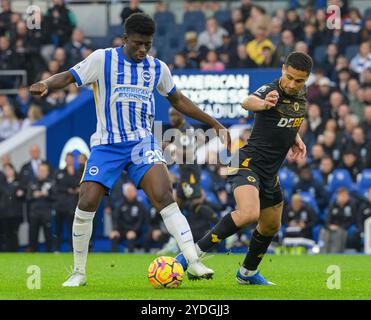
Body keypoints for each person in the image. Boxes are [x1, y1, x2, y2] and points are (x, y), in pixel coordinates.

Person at [30, 13, 230, 287]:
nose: (142, 49)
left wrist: (214, 123)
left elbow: (179, 100)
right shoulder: (103, 59)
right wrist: (46, 84)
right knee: (87, 201)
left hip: (141, 143)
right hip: (107, 144)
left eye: (147, 44)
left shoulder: (157, 68)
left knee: (163, 194)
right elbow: (69, 76)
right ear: (124, 39)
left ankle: (192, 261)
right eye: (137, 43)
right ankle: (78, 272)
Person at [177, 52, 313, 284]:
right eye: (289, 77)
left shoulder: (302, 94)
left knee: (271, 225)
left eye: (298, 80)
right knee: (249, 214)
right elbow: (247, 101)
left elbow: (287, 120)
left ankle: (247, 273)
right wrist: (263, 103)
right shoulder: (272, 91)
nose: (292, 84)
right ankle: (190, 256)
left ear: (306, 79)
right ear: (282, 69)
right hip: (246, 163)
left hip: (269, 173)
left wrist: (295, 137)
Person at [54, 153, 80, 251]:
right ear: (65, 160)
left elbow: (79, 186)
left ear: (73, 160)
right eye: (67, 159)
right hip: (60, 205)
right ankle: (57, 249)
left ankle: (72, 249)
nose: (69, 160)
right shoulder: (59, 172)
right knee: (58, 229)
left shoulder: (78, 173)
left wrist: (76, 189)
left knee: (72, 229)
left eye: (71, 159)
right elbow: (56, 187)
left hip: (73, 205)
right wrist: (68, 190)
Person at [109, 182, 146, 253]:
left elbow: (141, 221)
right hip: (122, 230)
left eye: (133, 191)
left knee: (130, 236)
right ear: (125, 193)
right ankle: (114, 256)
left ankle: (130, 255)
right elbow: (116, 219)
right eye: (130, 191)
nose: (132, 193)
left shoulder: (140, 205)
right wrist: (115, 229)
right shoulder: (120, 205)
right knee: (114, 235)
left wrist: (134, 230)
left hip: (135, 230)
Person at [27, 163, 54, 252]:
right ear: (37, 171)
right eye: (40, 170)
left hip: (46, 213)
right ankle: (33, 253)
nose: (42, 172)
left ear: (47, 172)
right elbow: (27, 197)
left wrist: (47, 195)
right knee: (33, 236)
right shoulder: (32, 182)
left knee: (48, 236)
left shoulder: (51, 183)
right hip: (34, 213)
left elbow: (56, 197)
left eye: (44, 171)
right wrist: (34, 195)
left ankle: (49, 255)